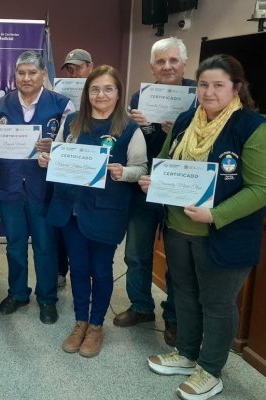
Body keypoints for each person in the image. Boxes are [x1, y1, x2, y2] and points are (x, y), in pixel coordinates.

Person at [144, 54, 266, 400]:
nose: (209, 92)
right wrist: (155, 180)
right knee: (183, 294)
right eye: (203, 85)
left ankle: (211, 369)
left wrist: (215, 214)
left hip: (223, 232)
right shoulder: (185, 120)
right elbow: (166, 161)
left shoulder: (252, 127)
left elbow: (261, 189)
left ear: (236, 88)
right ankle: (186, 353)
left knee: (217, 302)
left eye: (218, 85)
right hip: (179, 228)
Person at [39, 65, 147, 357]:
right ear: (87, 92)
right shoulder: (73, 121)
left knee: (100, 270)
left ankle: (96, 325)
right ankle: (80, 322)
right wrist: (49, 161)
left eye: (108, 88)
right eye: (95, 88)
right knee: (79, 268)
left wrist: (123, 171)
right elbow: (59, 152)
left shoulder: (129, 128)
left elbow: (142, 169)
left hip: (106, 211)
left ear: (118, 92)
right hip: (71, 209)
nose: (101, 94)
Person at [0, 50, 75, 324]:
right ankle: (18, 293)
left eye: (33, 73)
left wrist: (55, 148)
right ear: (15, 75)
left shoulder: (62, 105)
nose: (26, 78)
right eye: (21, 73)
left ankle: (47, 299)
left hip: (43, 188)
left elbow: (72, 148)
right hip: (9, 187)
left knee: (45, 245)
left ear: (44, 75)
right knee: (15, 245)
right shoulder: (0, 106)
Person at [114, 37, 196, 347]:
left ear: (184, 64)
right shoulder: (140, 96)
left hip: (180, 188)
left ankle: (174, 317)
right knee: (136, 252)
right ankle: (141, 307)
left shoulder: (197, 97)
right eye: (160, 62)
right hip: (143, 187)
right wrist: (139, 128)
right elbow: (135, 146)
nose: (167, 67)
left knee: (177, 258)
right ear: (152, 66)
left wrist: (175, 131)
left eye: (173, 60)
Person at [57, 49, 95, 288]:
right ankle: (61, 272)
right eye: (69, 69)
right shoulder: (58, 95)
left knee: (88, 236)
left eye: (77, 67)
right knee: (63, 231)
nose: (73, 73)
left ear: (90, 67)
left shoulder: (101, 93)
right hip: (65, 177)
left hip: (92, 182)